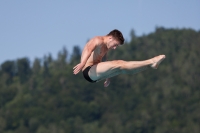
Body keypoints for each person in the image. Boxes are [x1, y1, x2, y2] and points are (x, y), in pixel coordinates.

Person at [73, 29, 165, 87]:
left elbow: (104, 58)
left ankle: (150, 66)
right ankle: (151, 61)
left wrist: (108, 76)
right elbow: (88, 49)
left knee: (122, 69)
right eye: (115, 44)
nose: (115, 48)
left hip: (96, 73)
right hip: (88, 71)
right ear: (110, 38)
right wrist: (82, 63)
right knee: (119, 63)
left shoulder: (106, 46)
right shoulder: (98, 40)